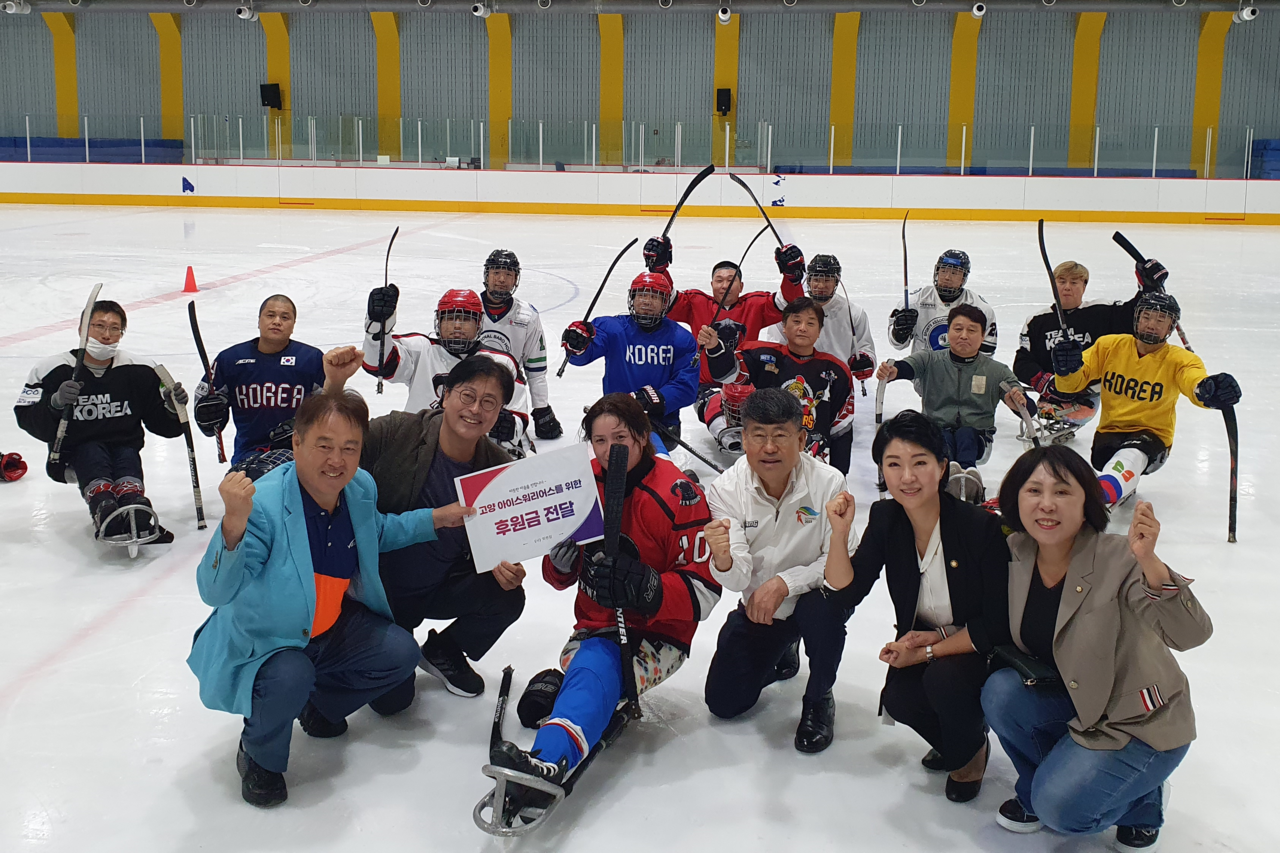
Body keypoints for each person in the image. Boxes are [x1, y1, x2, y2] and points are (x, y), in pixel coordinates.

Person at [186, 390, 475, 807]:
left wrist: (436, 519)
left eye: (349, 448)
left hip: (329, 627)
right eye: (324, 446)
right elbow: (214, 591)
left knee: (399, 652)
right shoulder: (264, 505)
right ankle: (259, 755)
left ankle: (319, 705)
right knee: (289, 676)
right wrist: (232, 525)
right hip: (272, 641)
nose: (336, 460)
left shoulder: (358, 488)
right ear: (297, 444)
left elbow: (377, 532)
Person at [488, 393, 721, 814]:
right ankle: (572, 689)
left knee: (598, 664)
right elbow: (559, 579)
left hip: (658, 637)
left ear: (644, 436)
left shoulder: (678, 494)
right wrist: (559, 563)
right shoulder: (579, 484)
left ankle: (548, 761)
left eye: (621, 437)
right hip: (593, 626)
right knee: (594, 661)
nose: (609, 449)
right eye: (598, 440)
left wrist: (649, 588)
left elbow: (705, 594)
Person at [983, 445, 1212, 851]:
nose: (1047, 504)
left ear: (1087, 500)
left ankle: (1143, 800)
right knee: (1001, 692)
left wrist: (1151, 563)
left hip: (1139, 721)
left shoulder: (1119, 558)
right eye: (1033, 491)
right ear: (1016, 499)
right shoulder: (1017, 552)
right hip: (1078, 703)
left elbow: (1191, 634)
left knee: (1061, 812)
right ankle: (1045, 786)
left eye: (1063, 492)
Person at [821, 410, 1011, 803]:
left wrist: (928, 649)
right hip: (924, 638)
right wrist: (839, 535)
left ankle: (971, 753)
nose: (907, 477)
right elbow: (846, 592)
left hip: (978, 643)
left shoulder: (978, 526)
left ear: (942, 468)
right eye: (894, 464)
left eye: (920, 463)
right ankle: (964, 740)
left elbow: (995, 623)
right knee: (900, 698)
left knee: (943, 681)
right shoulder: (887, 517)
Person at [323, 346, 526, 707]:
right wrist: (334, 386)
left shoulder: (498, 470)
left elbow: (499, 539)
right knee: (392, 704)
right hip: (375, 591)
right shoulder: (397, 432)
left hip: (436, 585)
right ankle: (340, 664)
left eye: (490, 403)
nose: (476, 409)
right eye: (467, 395)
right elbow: (331, 445)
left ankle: (444, 650)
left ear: (499, 414)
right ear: (445, 395)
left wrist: (500, 563)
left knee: (507, 596)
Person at [702, 389, 858, 753]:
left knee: (825, 611)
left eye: (780, 435)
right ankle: (783, 648)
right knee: (724, 704)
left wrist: (784, 583)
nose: (769, 447)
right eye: (758, 435)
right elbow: (739, 578)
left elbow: (842, 560)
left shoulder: (829, 483)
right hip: (762, 608)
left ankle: (819, 695)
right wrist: (723, 560)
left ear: (801, 439)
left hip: (812, 598)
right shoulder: (726, 490)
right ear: (743, 438)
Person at [14, 299, 187, 540]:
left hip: (124, 449)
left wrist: (171, 408)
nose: (107, 334)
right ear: (82, 329)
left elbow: (163, 426)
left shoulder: (140, 369)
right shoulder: (52, 369)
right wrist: (54, 403)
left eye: (115, 328)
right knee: (92, 451)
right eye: (99, 326)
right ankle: (103, 504)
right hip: (74, 455)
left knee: (125, 454)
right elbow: (27, 419)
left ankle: (133, 502)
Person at [1049, 291, 1240, 505]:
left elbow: (1193, 383)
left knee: (1133, 453)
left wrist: (1208, 390)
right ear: (1137, 318)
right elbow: (1071, 384)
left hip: (1153, 437)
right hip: (1109, 434)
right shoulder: (1109, 346)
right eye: (1146, 317)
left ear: (1170, 327)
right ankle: (1114, 481)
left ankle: (1102, 492)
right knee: (1109, 458)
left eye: (1161, 320)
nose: (1152, 324)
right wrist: (1066, 369)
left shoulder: (1182, 360)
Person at [362, 285, 532, 457]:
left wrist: (510, 425)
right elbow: (377, 364)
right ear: (439, 321)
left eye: (466, 319)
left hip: (476, 453)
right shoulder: (421, 349)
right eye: (449, 318)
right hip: (419, 449)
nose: (457, 326)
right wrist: (377, 326)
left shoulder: (501, 362)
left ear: (479, 323)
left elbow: (518, 413)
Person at [876, 304, 1025, 498]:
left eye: (971, 330)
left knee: (965, 434)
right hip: (936, 433)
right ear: (948, 332)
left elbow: (1025, 405)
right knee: (943, 436)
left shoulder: (996, 371)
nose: (964, 335)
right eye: (958, 329)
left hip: (977, 437)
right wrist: (894, 372)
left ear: (983, 336)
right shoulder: (931, 359)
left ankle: (967, 477)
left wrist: (1017, 402)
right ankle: (950, 478)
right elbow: (908, 367)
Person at [1013, 259, 1163, 441]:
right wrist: (1047, 383)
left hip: (1088, 392)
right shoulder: (1036, 321)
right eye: (1061, 281)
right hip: (1052, 392)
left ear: (1084, 286)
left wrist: (1147, 288)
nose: (1067, 287)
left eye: (1074, 282)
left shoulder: (1101, 311)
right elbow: (1022, 362)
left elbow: (1133, 315)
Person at [705, 297, 855, 474]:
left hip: (812, 467)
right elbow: (728, 375)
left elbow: (841, 430)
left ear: (820, 330)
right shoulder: (762, 356)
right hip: (765, 458)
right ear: (784, 326)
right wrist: (715, 348)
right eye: (796, 321)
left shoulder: (836, 371)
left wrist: (839, 476)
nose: (802, 328)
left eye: (811, 323)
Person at [645, 234, 805, 392]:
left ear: (741, 286)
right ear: (711, 284)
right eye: (719, 280)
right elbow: (665, 298)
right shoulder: (696, 303)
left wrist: (791, 277)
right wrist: (659, 269)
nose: (725, 286)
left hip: (743, 385)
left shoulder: (756, 305)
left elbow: (791, 304)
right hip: (705, 387)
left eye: (731, 280)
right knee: (720, 419)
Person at [192, 294, 326, 474]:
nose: (277, 321)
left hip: (299, 453)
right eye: (270, 315)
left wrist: (307, 428)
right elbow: (207, 414)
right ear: (259, 320)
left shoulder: (311, 359)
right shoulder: (230, 359)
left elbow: (330, 408)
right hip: (247, 454)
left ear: (293, 325)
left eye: (285, 317)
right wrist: (207, 417)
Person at [560, 271, 699, 441]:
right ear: (632, 298)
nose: (646, 301)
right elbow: (583, 356)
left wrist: (658, 399)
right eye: (641, 295)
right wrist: (578, 345)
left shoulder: (682, 339)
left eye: (655, 296)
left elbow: (687, 387)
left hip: (660, 421)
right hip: (615, 416)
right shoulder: (612, 328)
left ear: (665, 302)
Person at [476, 249, 564, 440]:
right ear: (487, 275)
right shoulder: (471, 309)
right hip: (470, 388)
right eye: (496, 273)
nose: (501, 279)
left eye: (508, 274)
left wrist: (541, 409)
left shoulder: (527, 316)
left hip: (510, 393)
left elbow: (536, 370)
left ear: (516, 279)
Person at [760, 254, 877, 391]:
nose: (821, 285)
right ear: (809, 280)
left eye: (827, 280)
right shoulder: (790, 309)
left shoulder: (854, 313)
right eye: (816, 279)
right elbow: (776, 344)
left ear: (836, 282)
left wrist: (864, 360)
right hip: (795, 380)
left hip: (837, 381)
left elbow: (864, 346)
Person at [888, 249, 997, 356]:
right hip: (922, 371)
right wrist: (899, 333)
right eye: (943, 271)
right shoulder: (914, 302)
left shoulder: (980, 308)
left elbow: (986, 354)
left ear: (963, 278)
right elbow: (897, 345)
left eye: (954, 273)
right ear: (936, 272)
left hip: (962, 372)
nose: (947, 277)